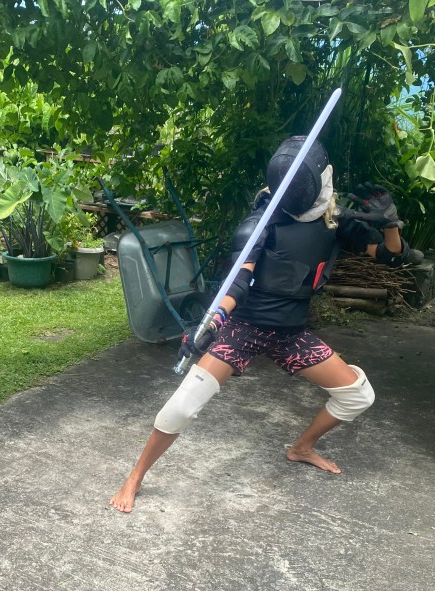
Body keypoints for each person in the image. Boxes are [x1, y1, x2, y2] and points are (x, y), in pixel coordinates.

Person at [110, 136, 410, 513]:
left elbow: (391, 256)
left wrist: (390, 223)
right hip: (244, 330)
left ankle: (301, 448)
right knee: (182, 407)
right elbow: (237, 282)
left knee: (358, 395)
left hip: (291, 334)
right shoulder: (262, 220)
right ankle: (135, 476)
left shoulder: (334, 218)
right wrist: (211, 323)